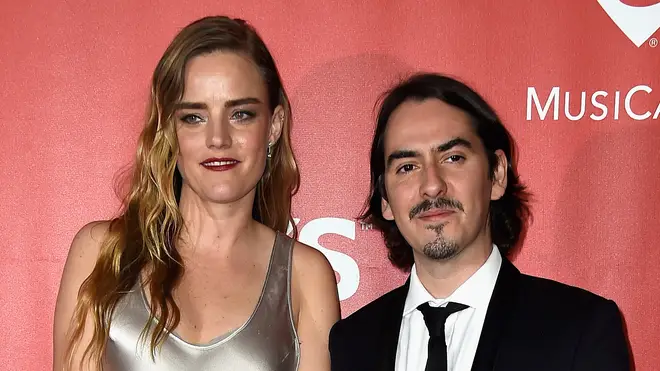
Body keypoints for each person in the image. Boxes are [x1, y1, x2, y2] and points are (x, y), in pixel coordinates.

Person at [53, 16, 340, 371]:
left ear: (274, 126)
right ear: (170, 129)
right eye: (194, 117)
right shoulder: (101, 253)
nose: (218, 138)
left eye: (241, 114)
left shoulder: (305, 277)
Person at [328, 73, 631, 371]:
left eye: (453, 158)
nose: (432, 185)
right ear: (385, 199)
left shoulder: (581, 329)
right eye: (408, 167)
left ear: (497, 174)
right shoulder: (352, 344)